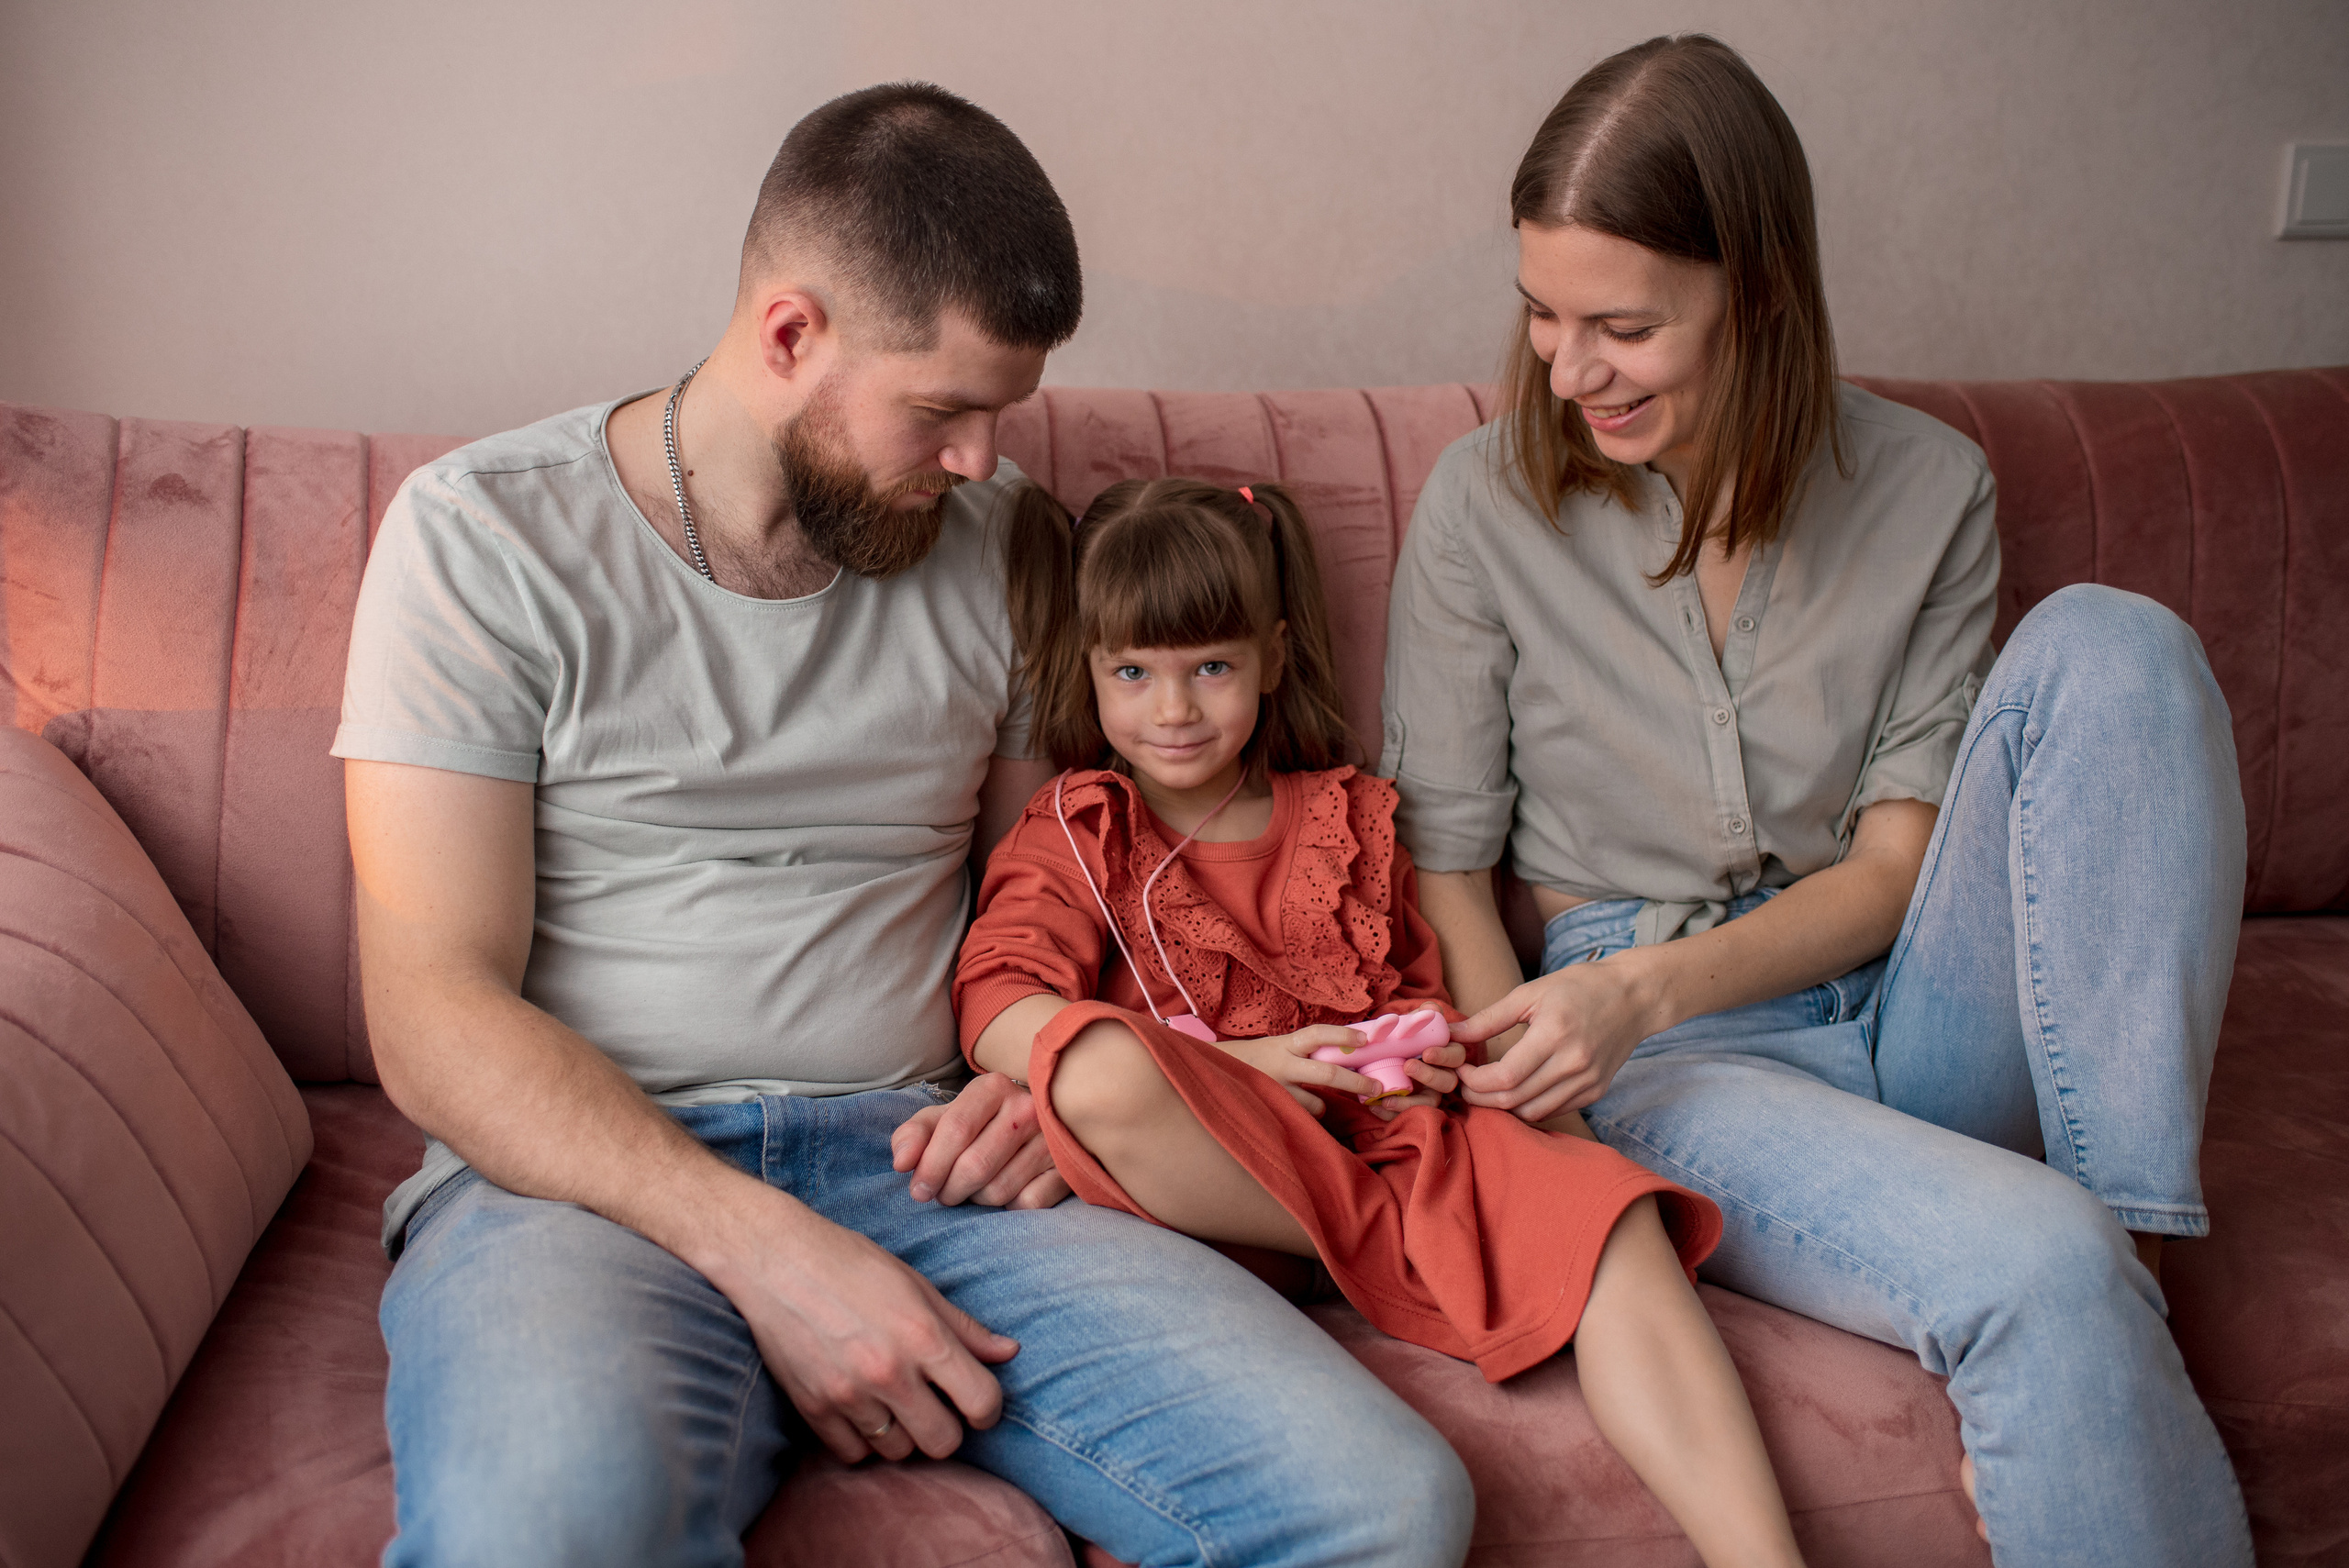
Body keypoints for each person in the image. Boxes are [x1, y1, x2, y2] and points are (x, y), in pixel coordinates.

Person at [336, 83, 1472, 1568]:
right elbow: (432, 1008)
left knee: (1384, 1505)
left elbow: (1055, 902)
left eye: (1005, 408)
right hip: (588, 1180)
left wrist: (1058, 1081)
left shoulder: (1003, 550)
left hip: (934, 1153)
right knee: (543, 1527)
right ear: (792, 333)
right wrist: (773, 1254)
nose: (985, 460)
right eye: (942, 407)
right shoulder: (482, 540)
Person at [1381, 33, 2253, 1568]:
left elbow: (1899, 861)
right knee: (2040, 1270)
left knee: (2120, 644)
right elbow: (1447, 864)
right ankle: (2087, 1285)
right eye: (1541, 315)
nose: (1567, 369)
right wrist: (1557, 1079)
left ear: (1759, 289)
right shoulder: (1481, 502)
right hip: (1671, 1062)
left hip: (1916, 997)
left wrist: (1642, 983)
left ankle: (2132, 1251)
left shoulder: (1931, 486)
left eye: (1624, 326)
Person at [940, 474, 1809, 1568]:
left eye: (1211, 667)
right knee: (1096, 1076)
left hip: (1384, 1145)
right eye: (1133, 673)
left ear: (1273, 652)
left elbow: (1416, 988)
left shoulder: (1343, 815)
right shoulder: (1080, 827)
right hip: (1212, 1178)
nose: (1173, 710)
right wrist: (1244, 1061)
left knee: (1611, 1213)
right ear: (1090, 673)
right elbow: (996, 1005)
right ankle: (1397, 1251)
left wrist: (1430, 1052)